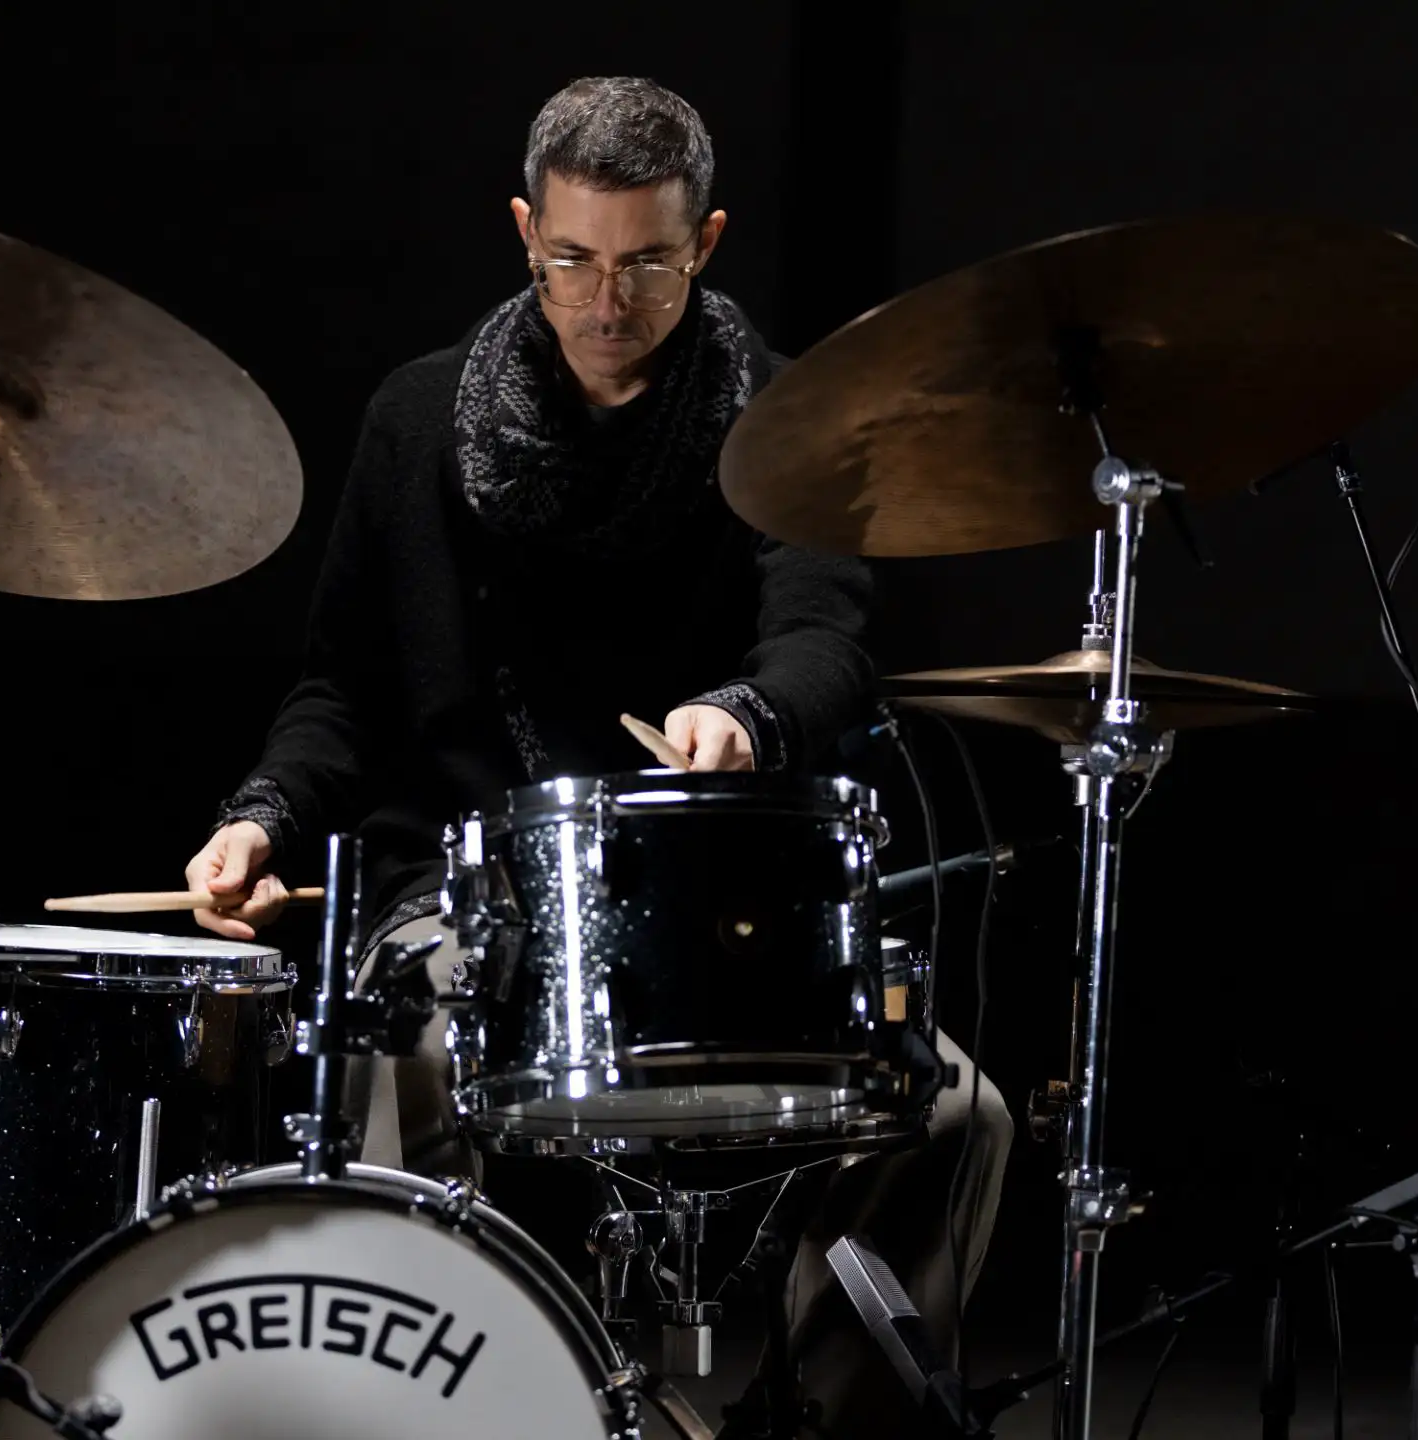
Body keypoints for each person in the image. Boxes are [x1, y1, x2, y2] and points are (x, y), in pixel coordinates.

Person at [185, 76, 1011, 1436]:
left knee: (954, 1117)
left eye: (647, 264)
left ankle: (812, 1426)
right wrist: (264, 814)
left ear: (709, 242)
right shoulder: (417, 420)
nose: (606, 300)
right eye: (572, 259)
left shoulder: (784, 420)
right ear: (525, 232)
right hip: (467, 902)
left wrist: (751, 712)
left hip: (713, 918)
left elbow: (824, 639)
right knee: (419, 1061)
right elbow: (341, 689)